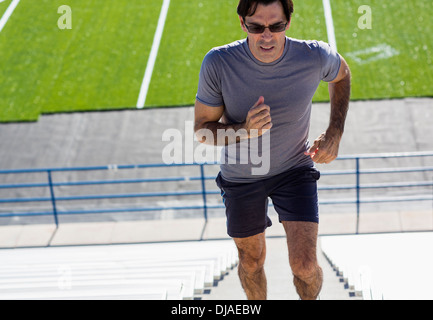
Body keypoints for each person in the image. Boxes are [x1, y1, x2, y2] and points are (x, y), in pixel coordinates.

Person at [194, 0, 351, 300]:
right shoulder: (218, 63)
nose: (266, 36)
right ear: (242, 23)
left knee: (304, 265)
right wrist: (243, 130)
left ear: (288, 22)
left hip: (294, 169)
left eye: (275, 26)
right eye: (256, 27)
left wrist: (335, 131)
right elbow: (202, 130)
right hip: (241, 176)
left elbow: (342, 75)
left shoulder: (313, 55)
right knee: (251, 262)